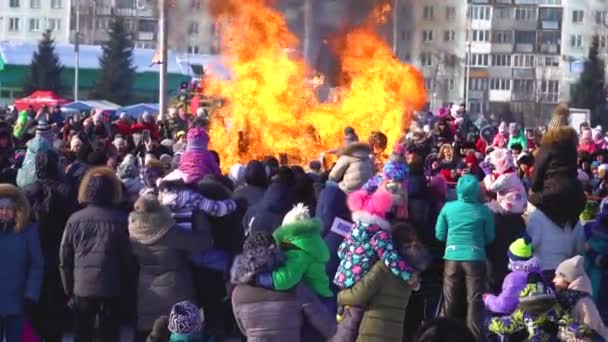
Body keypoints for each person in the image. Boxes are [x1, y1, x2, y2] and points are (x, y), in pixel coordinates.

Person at [59, 167, 134, 342]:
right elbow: (128, 257)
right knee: (109, 334)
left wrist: (69, 288)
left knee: (82, 333)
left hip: (82, 286)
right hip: (112, 286)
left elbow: (65, 258)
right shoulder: (121, 219)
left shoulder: (75, 219)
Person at [128, 196, 213, 342]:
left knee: (153, 334)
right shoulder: (171, 232)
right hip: (176, 289)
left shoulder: (133, 234)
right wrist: (200, 217)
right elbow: (204, 243)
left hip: (146, 291)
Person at [230, 232, 336, 342]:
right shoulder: (294, 286)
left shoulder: (238, 293)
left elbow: (243, 329)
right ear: (276, 253)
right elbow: (323, 322)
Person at [334, 223, 431, 342]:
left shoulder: (383, 269)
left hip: (372, 333)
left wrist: (341, 295)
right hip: (394, 335)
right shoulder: (410, 276)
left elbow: (358, 295)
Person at [23, 150, 75, 342]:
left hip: (33, 255)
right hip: (58, 253)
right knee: (55, 307)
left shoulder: (27, 191)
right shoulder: (65, 190)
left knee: (34, 306)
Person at [435, 174, 495, 340]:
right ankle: (474, 337)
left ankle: (444, 335)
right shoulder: (484, 210)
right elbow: (490, 237)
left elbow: (439, 235)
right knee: (475, 300)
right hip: (475, 256)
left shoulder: (448, 207)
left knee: (450, 299)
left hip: (452, 256)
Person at [0, 184, 44, 342]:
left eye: (8, 208)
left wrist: (31, 295)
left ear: (16, 210)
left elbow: (37, 265)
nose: (4, 212)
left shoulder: (28, 231)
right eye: (1, 208)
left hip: (18, 301)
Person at [554, 256, 608, 341]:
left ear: (568, 279)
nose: (554, 280)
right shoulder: (568, 299)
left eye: (558, 277)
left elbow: (590, 335)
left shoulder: (584, 303)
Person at [484, 236, 541, 315]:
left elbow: (504, 305)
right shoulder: (538, 272)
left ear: (513, 258)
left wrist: (488, 299)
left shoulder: (514, 278)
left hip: (519, 319)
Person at [483, 148, 527, 215]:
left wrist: (488, 175)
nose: (493, 166)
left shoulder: (505, 178)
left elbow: (491, 188)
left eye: (494, 165)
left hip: (510, 208)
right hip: (520, 206)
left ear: (501, 164)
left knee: (484, 208)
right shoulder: (513, 171)